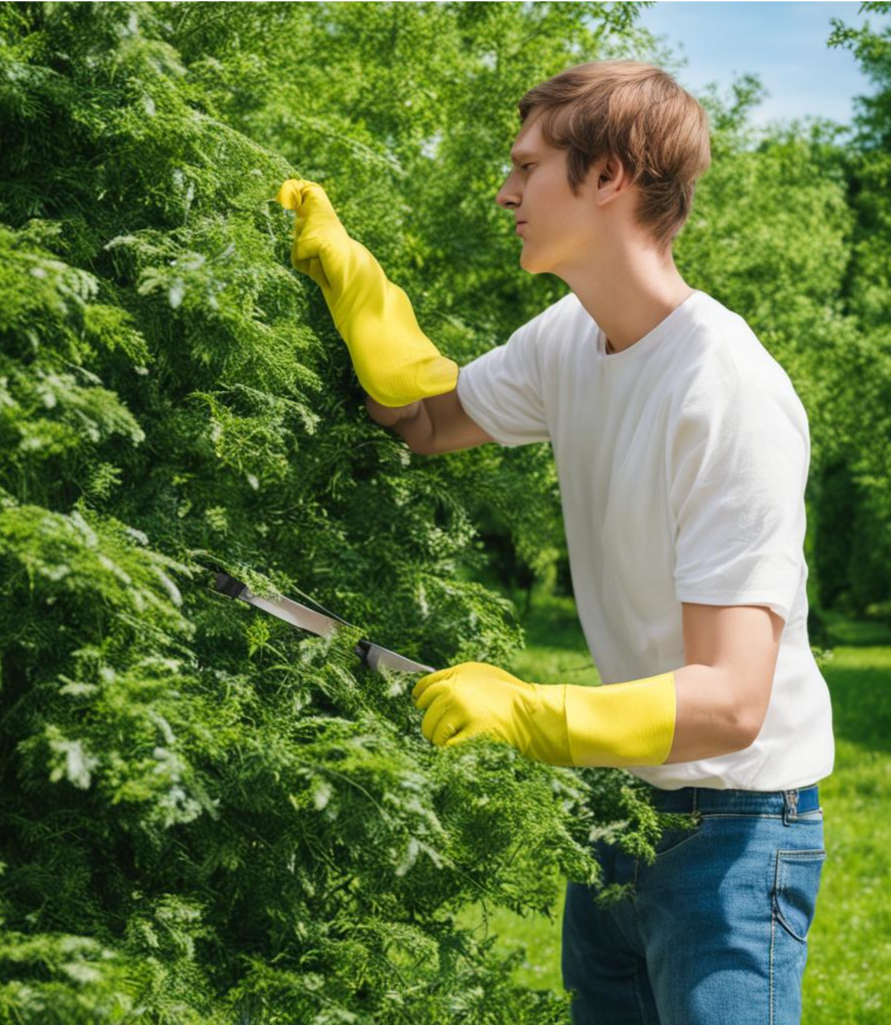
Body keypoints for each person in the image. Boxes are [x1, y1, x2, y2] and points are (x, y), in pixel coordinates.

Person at [274, 58, 835, 1025]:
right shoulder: (568, 337)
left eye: (525, 167)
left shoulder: (727, 392)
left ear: (609, 175)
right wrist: (356, 286)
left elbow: (732, 701)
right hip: (616, 810)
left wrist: (533, 712)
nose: (504, 192)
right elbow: (426, 418)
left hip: (733, 830)